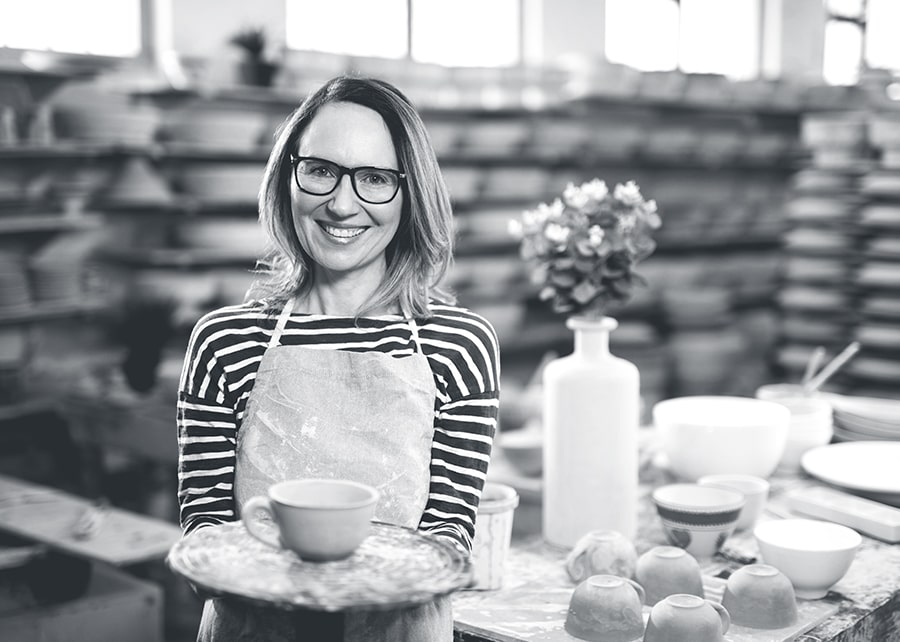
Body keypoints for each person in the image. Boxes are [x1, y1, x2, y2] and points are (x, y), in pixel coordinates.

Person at [176, 75, 500, 641]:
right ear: (288, 175)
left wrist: (364, 584)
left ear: (410, 192)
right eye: (321, 170)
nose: (341, 203)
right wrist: (269, 575)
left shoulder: (460, 345)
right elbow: (204, 534)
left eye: (374, 178)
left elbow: (450, 537)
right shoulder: (223, 342)